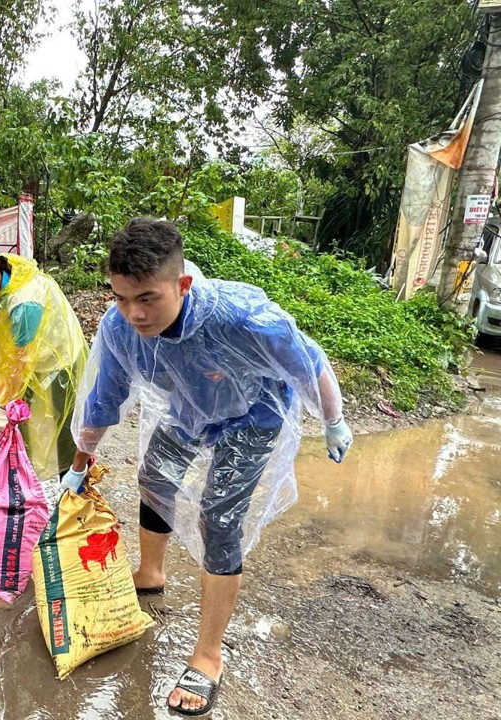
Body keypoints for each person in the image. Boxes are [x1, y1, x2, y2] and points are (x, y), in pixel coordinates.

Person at [64, 219, 353, 716]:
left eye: (147, 298)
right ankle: (150, 573)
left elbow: (309, 362)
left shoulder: (240, 316)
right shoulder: (119, 328)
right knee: (154, 475)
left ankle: (208, 654)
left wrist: (334, 420)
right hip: (189, 410)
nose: (133, 313)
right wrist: (80, 461)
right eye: (120, 298)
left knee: (219, 516)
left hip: (253, 413)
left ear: (182, 285)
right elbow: (103, 398)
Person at [0, 243, 87, 480]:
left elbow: (20, 360)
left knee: (62, 425)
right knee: (20, 420)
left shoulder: (24, 303)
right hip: (26, 356)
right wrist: (3, 386)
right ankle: (22, 477)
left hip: (56, 359)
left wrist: (3, 406)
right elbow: (4, 345)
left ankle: (74, 483)